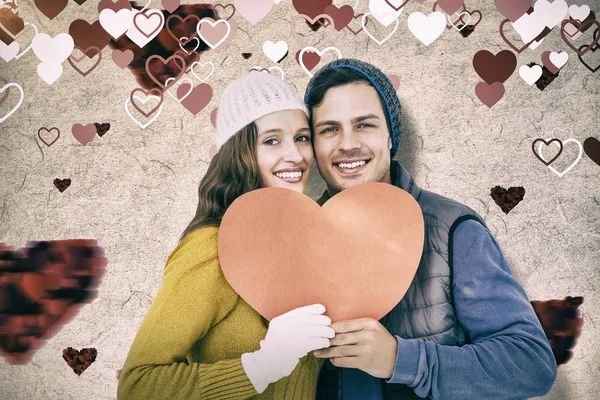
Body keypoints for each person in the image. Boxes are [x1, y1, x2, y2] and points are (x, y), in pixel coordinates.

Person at [304, 58, 558, 400]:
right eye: (329, 129)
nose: (347, 144)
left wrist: (400, 359)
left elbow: (531, 365)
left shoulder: (454, 231)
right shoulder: (298, 239)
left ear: (391, 136)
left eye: (364, 125)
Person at [117, 71, 335, 400]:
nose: (296, 155)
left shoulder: (300, 244)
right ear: (240, 153)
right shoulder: (210, 248)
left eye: (302, 137)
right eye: (272, 140)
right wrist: (261, 365)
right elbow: (138, 385)